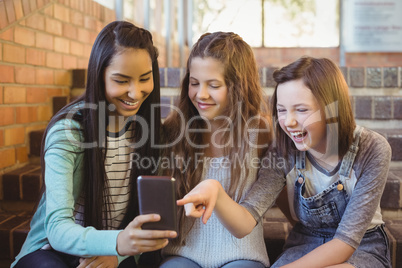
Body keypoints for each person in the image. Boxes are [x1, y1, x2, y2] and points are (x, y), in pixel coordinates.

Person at [179, 56, 392, 268]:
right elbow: (244, 223)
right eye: (281, 110)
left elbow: (346, 242)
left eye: (301, 110)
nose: (288, 122)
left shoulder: (372, 149)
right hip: (305, 242)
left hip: (361, 246)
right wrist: (214, 190)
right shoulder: (283, 152)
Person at [12, 21, 177, 268]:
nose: (135, 92)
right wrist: (118, 242)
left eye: (145, 78)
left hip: (116, 250)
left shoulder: (151, 133)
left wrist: (118, 253)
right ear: (98, 76)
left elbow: (151, 226)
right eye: (122, 80)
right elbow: (57, 228)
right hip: (52, 250)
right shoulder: (68, 131)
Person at [159, 32, 272, 268]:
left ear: (238, 87)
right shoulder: (174, 129)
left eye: (213, 85)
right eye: (194, 83)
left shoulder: (259, 132)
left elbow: (280, 192)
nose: (201, 94)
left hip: (243, 254)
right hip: (183, 253)